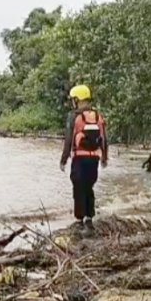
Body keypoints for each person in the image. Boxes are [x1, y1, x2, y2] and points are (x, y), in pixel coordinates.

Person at [60, 84, 108, 231]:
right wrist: (104, 157)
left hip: (79, 159)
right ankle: (89, 219)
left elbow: (69, 140)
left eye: (73, 99)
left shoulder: (73, 116)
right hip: (94, 159)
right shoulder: (98, 116)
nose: (72, 102)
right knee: (89, 187)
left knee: (78, 188)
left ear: (78, 99)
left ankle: (80, 220)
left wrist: (63, 159)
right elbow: (104, 139)